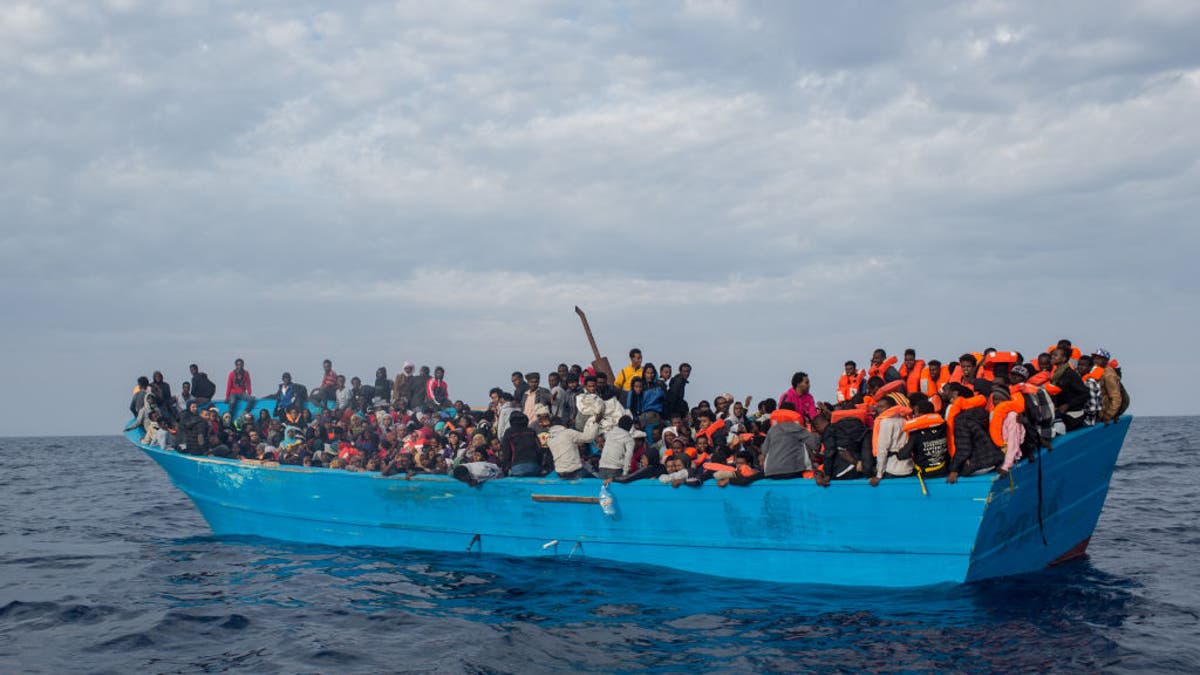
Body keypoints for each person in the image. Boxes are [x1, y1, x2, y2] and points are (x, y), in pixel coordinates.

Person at [945, 383, 1002, 482]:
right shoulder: (982, 412)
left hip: (977, 466)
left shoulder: (960, 420)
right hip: (993, 460)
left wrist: (954, 469)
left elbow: (964, 448)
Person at [760, 402, 821, 479]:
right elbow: (815, 445)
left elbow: (764, 451)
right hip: (792, 471)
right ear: (794, 413)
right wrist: (817, 433)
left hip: (770, 472)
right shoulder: (797, 427)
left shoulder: (772, 430)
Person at [811, 410, 868, 484]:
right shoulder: (839, 429)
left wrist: (827, 474)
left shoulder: (828, 431)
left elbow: (830, 452)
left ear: (817, 426)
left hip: (842, 471)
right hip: (856, 466)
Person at [869, 393, 913, 486]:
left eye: (882, 407)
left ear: (891, 407)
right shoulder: (904, 420)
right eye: (878, 407)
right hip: (908, 468)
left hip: (892, 469)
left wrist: (879, 475)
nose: (879, 410)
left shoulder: (885, 422)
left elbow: (882, 449)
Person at [899, 399, 949, 478]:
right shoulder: (944, 427)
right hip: (943, 470)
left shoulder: (916, 433)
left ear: (920, 413)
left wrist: (897, 453)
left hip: (925, 474)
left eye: (915, 412)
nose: (914, 416)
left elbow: (904, 455)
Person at [547, 413, 601, 479]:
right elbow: (589, 438)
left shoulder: (549, 439)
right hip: (574, 471)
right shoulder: (568, 433)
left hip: (560, 472)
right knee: (596, 482)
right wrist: (596, 423)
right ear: (561, 423)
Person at [1048, 347, 1089, 431]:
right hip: (1060, 412)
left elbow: (1085, 393)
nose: (1052, 357)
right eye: (1052, 355)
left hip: (1072, 415)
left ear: (1064, 359)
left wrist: (1068, 405)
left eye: (1055, 355)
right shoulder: (1056, 374)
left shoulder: (1070, 374)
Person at [498, 411, 543, 477]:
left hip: (518, 467)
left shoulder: (509, 432)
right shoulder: (531, 431)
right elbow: (539, 450)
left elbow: (506, 454)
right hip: (534, 466)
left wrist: (505, 469)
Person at [1092, 349, 1125, 424]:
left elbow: (1116, 397)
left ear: (1105, 360)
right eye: (1095, 358)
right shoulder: (1096, 370)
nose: (1095, 360)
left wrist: (1109, 415)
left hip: (1103, 412)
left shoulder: (1108, 375)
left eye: (1099, 358)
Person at [1077, 355, 1102, 426]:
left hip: (1088, 419)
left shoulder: (1090, 382)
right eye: (1079, 364)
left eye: (1083, 365)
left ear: (1090, 367)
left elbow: (1093, 405)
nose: (1080, 367)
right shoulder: (1079, 379)